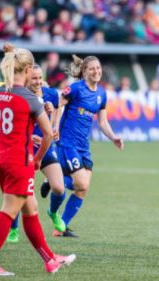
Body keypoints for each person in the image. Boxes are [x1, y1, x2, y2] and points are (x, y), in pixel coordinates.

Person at [0, 44, 75, 276]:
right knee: (8, 211)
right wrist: (39, 159)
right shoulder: (30, 98)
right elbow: (49, 134)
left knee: (30, 209)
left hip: (1, 158)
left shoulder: (2, 92)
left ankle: (50, 259)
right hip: (20, 161)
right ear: (29, 69)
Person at [50, 54, 124, 237]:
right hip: (68, 143)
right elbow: (57, 104)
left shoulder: (101, 94)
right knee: (81, 182)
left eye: (98, 68)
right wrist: (54, 127)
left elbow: (103, 121)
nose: (96, 71)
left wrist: (113, 137)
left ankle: (61, 228)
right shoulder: (75, 89)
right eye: (92, 68)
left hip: (84, 147)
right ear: (84, 72)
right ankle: (53, 181)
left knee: (83, 189)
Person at [6, 65, 67, 243]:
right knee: (20, 192)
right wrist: (29, 135)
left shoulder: (51, 94)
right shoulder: (20, 95)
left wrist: (54, 127)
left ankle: (53, 213)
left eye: (40, 78)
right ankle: (13, 229)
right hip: (25, 149)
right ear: (26, 78)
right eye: (34, 78)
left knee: (59, 187)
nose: (38, 81)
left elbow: (56, 110)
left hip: (46, 147)